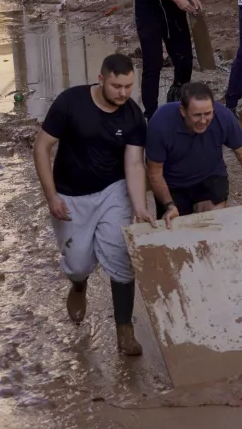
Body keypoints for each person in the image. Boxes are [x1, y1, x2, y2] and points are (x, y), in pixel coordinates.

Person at [32, 54, 155, 356]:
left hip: (113, 191)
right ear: (101, 80)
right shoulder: (70, 103)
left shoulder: (133, 115)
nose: (123, 93)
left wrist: (139, 205)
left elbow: (135, 164)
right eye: (116, 86)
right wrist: (51, 197)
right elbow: (42, 147)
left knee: (122, 258)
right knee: (77, 264)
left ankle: (125, 332)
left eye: (128, 86)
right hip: (70, 194)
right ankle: (78, 285)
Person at [145, 82, 242, 227]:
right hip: (173, 185)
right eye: (197, 115)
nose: (203, 121)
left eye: (208, 114)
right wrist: (169, 204)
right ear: (183, 110)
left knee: (211, 223)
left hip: (210, 177)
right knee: (176, 230)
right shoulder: (160, 124)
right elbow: (154, 173)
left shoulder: (223, 117)